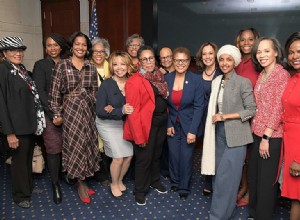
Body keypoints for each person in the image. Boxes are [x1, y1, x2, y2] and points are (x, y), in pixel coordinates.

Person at [201, 45, 256, 220]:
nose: (225, 63)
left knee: (228, 178)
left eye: (229, 59)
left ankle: (217, 216)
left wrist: (225, 116)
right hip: (218, 134)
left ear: (235, 62)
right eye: (222, 59)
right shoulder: (217, 81)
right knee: (218, 176)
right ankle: (222, 210)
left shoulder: (243, 82)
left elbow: (251, 110)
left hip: (237, 137)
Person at [49, 31, 100, 204]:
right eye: (77, 44)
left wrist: (89, 100)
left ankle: (83, 179)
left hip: (88, 112)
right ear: (72, 46)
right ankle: (80, 184)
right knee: (76, 146)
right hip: (70, 113)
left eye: (84, 45)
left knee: (86, 145)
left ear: (87, 49)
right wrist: (57, 114)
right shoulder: (62, 66)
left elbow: (95, 91)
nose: (80, 47)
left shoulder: (91, 67)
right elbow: (54, 94)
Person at [0, 36, 46, 208]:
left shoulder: (20, 69)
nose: (18, 53)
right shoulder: (2, 70)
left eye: (20, 50)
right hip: (16, 128)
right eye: (13, 50)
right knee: (19, 163)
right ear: (4, 53)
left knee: (27, 159)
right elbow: (1, 105)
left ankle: (28, 187)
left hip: (29, 124)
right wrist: (9, 133)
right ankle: (20, 196)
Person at [248, 37, 290, 220]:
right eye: (259, 51)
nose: (262, 55)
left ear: (276, 52)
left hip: (270, 136)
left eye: (266, 51)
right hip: (256, 131)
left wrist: (266, 137)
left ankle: (262, 216)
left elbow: (278, 109)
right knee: (255, 176)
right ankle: (254, 213)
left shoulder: (281, 75)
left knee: (266, 181)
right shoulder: (263, 74)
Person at [123, 45, 169, 206]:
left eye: (151, 58)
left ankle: (154, 180)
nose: (149, 62)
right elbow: (133, 112)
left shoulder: (159, 76)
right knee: (144, 159)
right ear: (139, 61)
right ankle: (140, 190)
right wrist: (139, 136)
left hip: (161, 122)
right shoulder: (134, 81)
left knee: (156, 155)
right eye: (145, 59)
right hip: (145, 126)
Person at [32, 33, 68, 204]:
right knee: (53, 148)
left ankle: (67, 175)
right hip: (50, 114)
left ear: (61, 46)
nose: (52, 48)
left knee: (67, 146)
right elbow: (40, 92)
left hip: (69, 113)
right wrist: (55, 113)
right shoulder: (40, 65)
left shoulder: (67, 63)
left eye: (55, 45)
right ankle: (55, 184)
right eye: (49, 45)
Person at [165, 47, 205, 200]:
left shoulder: (196, 80)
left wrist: (193, 130)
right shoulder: (167, 78)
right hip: (172, 124)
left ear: (189, 62)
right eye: (177, 60)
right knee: (173, 155)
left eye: (184, 60)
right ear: (173, 61)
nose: (180, 63)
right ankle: (175, 181)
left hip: (189, 125)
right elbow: (164, 105)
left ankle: (184, 186)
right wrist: (168, 123)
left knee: (186, 156)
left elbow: (199, 107)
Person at [96, 51, 135, 199]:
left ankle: (119, 180)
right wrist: (120, 110)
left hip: (123, 123)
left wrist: (114, 109)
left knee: (129, 156)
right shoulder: (106, 84)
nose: (119, 67)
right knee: (118, 157)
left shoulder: (131, 82)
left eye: (123, 64)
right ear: (111, 66)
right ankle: (113, 184)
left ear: (128, 65)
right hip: (106, 124)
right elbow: (100, 111)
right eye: (115, 64)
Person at [234, 27, 260, 207]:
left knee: (252, 158)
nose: (246, 43)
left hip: (254, 117)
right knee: (242, 157)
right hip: (237, 117)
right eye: (243, 39)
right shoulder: (235, 63)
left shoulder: (259, 62)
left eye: (250, 39)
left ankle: (251, 191)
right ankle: (243, 186)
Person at [195, 42, 222, 196]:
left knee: (217, 150)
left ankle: (217, 181)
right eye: (204, 54)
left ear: (215, 55)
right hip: (202, 118)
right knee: (206, 149)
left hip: (217, 118)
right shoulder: (197, 76)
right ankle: (207, 179)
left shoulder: (222, 73)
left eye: (210, 53)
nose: (207, 57)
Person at [281, 32, 300, 220]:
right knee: (295, 198)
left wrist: (299, 159)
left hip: (298, 149)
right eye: (291, 52)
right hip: (290, 142)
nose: (295, 56)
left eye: (299, 51)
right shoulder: (293, 78)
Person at [90, 37, 111, 187]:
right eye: (95, 51)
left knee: (107, 141)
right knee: (94, 142)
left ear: (106, 53)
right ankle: (98, 173)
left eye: (102, 51)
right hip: (90, 110)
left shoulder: (111, 66)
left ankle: (107, 172)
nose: (98, 54)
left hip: (109, 111)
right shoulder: (86, 67)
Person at [158, 47, 175, 179]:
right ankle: (165, 171)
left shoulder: (182, 71)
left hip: (177, 113)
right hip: (163, 113)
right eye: (163, 57)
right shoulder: (157, 73)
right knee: (164, 145)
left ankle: (175, 170)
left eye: (168, 56)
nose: (166, 59)